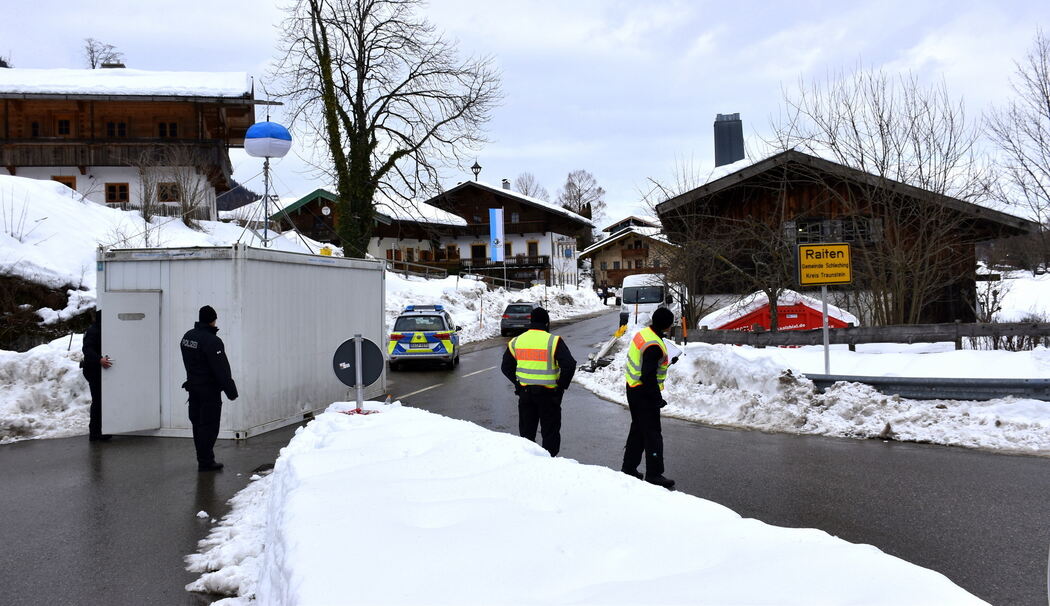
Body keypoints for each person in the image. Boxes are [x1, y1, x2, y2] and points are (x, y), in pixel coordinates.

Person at [501, 307, 576, 456]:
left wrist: (518, 383)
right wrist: (560, 388)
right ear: (547, 323)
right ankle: (549, 465)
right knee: (550, 434)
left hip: (525, 394)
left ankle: (529, 466)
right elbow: (569, 365)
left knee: (527, 436)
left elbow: (506, 366)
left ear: (531, 322)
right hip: (549, 396)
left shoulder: (517, 341)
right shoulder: (553, 341)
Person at [621, 306, 679, 489]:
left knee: (638, 430)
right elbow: (648, 375)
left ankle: (629, 468)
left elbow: (647, 364)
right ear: (667, 325)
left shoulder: (645, 334)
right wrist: (657, 399)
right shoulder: (653, 346)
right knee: (653, 434)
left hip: (633, 387)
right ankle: (654, 474)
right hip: (644, 393)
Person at [180, 305, 238, 472]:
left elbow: (188, 362)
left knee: (197, 424)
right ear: (213, 320)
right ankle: (206, 462)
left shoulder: (187, 337)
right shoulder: (213, 341)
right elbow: (221, 369)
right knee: (209, 426)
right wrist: (231, 392)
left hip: (193, 389)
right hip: (208, 392)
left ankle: (203, 459)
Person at [81, 309, 113, 442]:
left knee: (102, 401)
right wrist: (99, 359)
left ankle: (101, 430)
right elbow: (87, 349)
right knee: (98, 402)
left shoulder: (102, 329)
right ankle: (94, 433)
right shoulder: (94, 331)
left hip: (97, 370)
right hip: (93, 370)